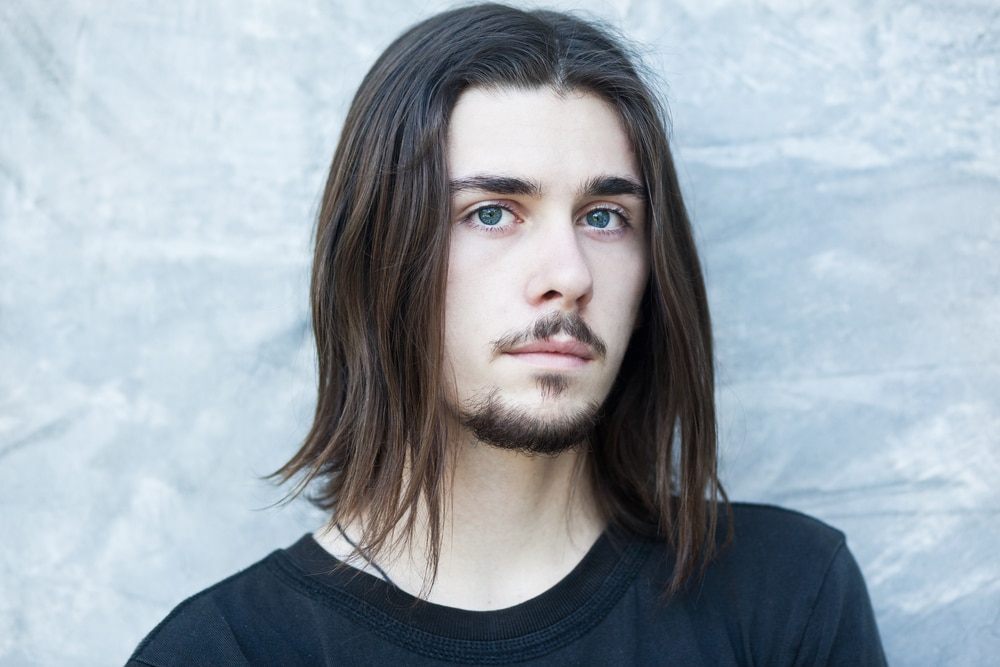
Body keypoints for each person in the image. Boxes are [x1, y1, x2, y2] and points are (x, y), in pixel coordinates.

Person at [127, 4, 886, 665]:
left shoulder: (787, 594)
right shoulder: (223, 652)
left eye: (604, 217)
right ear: (376, 259)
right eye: (491, 213)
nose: (570, 274)